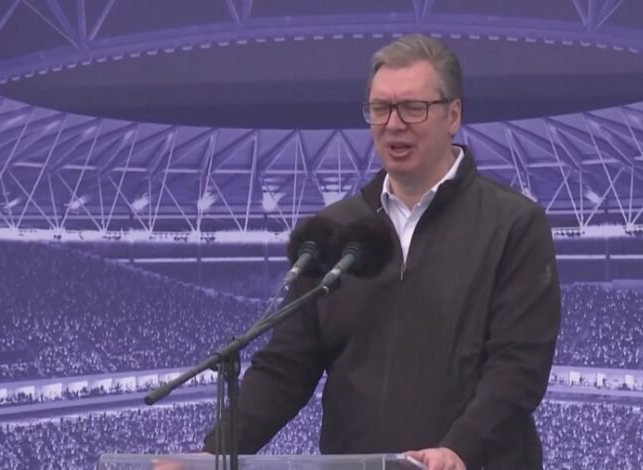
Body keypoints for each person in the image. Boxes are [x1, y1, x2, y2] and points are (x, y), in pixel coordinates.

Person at [200, 34, 561, 470]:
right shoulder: (335, 232)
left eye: (412, 107)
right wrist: (210, 455)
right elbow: (285, 368)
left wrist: (459, 448)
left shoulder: (513, 225)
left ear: (453, 115)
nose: (393, 123)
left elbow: (519, 367)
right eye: (380, 108)